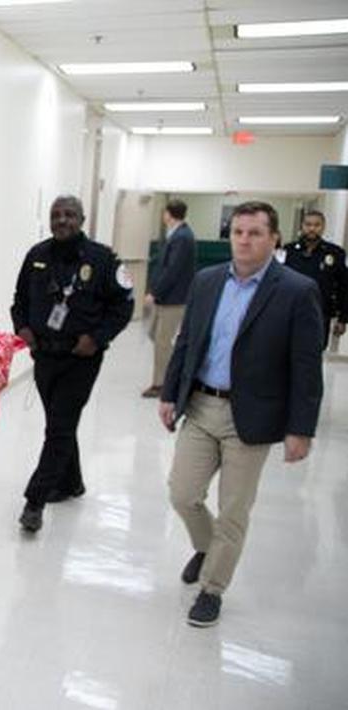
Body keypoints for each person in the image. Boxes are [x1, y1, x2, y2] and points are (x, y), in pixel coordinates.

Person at [159, 201, 323, 628]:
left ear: (274, 238)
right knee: (182, 494)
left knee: (233, 509)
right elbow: (186, 342)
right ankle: (207, 547)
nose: (244, 241)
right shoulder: (207, 280)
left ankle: (212, 589)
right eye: (237, 232)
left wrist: (300, 429)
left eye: (254, 233)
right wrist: (170, 394)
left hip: (251, 416)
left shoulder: (297, 290)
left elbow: (306, 368)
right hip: (201, 405)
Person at [10, 196, 134, 533]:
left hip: (81, 359)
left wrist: (97, 338)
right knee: (59, 423)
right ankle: (71, 482)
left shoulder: (102, 259)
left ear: (82, 219)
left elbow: (123, 307)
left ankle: (34, 502)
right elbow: (19, 300)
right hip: (44, 356)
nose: (62, 220)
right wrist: (22, 328)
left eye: (69, 215)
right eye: (56, 215)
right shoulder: (37, 256)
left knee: (59, 427)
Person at [142, 199, 196, 398]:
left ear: (168, 214)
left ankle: (162, 384)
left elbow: (172, 270)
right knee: (155, 335)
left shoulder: (182, 237)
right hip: (167, 298)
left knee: (163, 341)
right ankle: (171, 374)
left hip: (173, 299)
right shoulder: (177, 235)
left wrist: (155, 292)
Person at [278, 210, 348, 349]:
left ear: (323, 227)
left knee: (314, 352)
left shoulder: (336, 253)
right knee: (286, 351)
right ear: (302, 226)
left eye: (317, 225)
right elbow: (278, 281)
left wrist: (343, 319)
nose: (312, 228)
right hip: (290, 312)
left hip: (320, 313)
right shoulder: (288, 250)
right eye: (308, 224)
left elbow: (344, 286)